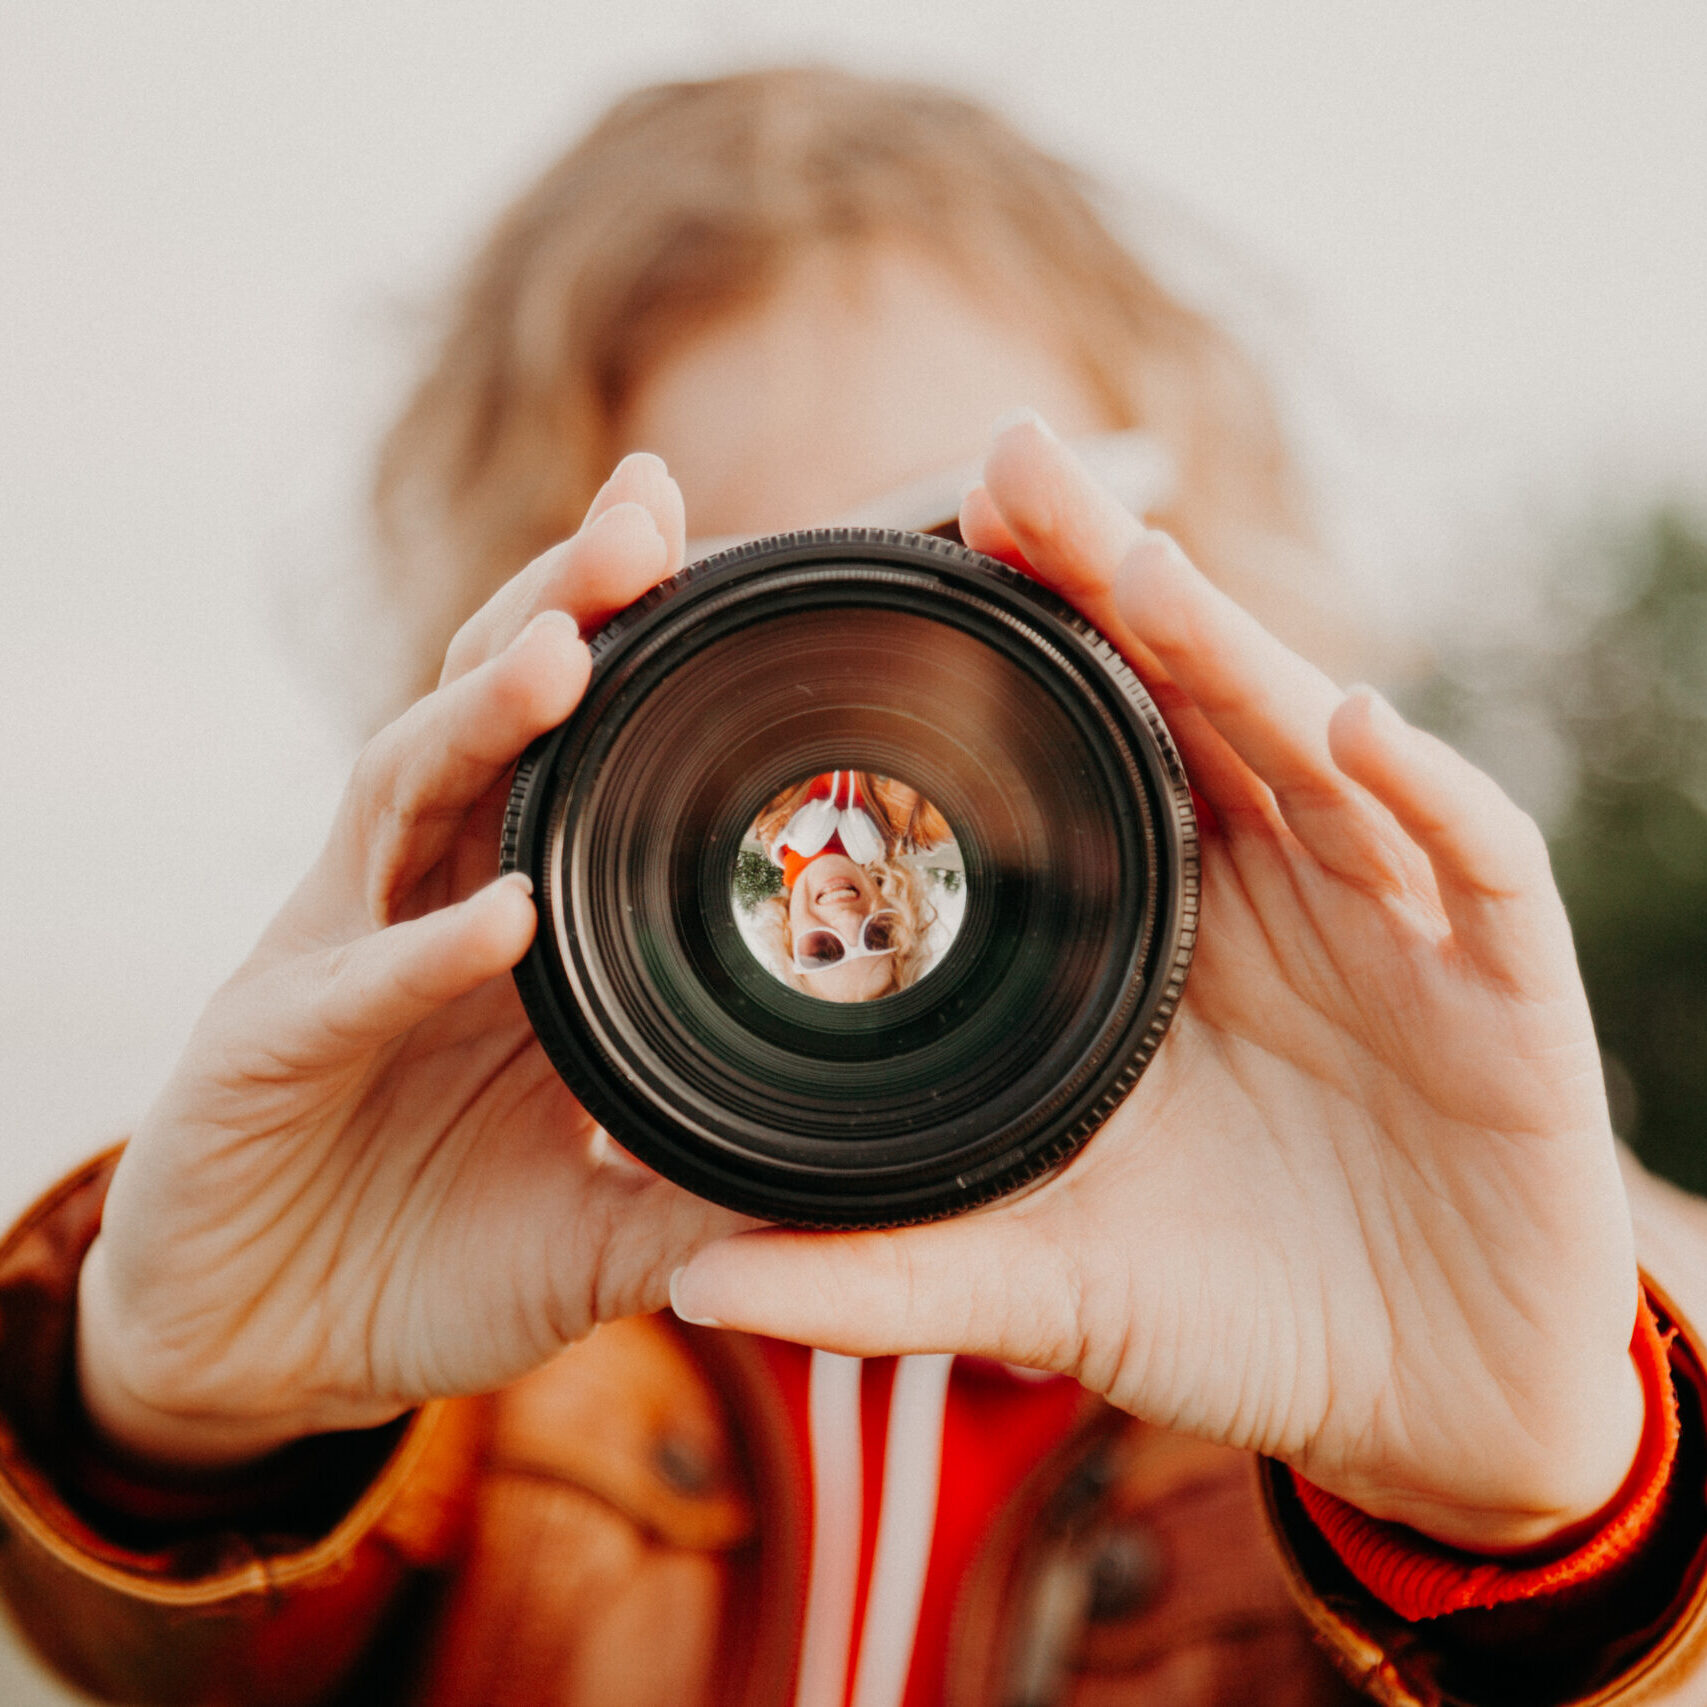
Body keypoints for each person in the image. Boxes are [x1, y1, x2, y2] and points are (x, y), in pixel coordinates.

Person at [1, 66, 1705, 1707]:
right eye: (723, 618)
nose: (873, 696)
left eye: (973, 559)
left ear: (1184, 576)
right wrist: (170, 1413)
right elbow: (186, 1656)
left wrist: (1546, 1525)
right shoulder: (464, 1326)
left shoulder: (1393, 1269)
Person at [747, 771, 951, 1001]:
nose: (848, 918)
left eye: (823, 951)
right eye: (878, 936)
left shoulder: (749, 806)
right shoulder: (923, 826)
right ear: (900, 920)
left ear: (788, 935)